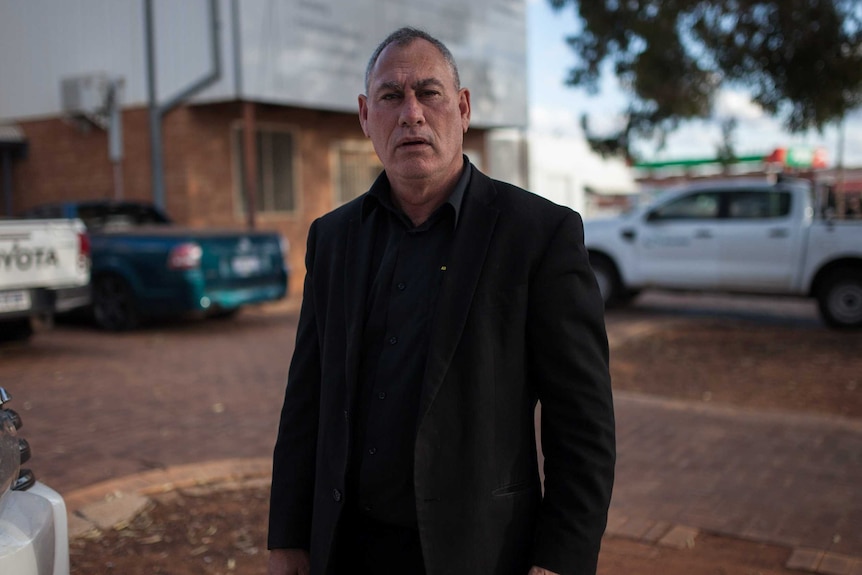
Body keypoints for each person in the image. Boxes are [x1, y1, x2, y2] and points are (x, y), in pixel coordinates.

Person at [267, 27, 615, 575]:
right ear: (365, 115)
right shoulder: (332, 239)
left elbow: (584, 425)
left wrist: (560, 562)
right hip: (348, 551)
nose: (411, 114)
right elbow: (306, 405)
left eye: (428, 93)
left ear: (462, 107)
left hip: (481, 554)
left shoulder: (539, 235)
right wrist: (287, 543)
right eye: (390, 96)